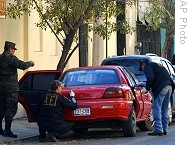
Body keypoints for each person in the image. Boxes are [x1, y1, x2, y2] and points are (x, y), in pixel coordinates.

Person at [0, 41, 35, 138]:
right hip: (11, 89)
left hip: (1, 88)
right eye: (13, 50)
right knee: (10, 108)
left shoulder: (0, 58)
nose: (14, 52)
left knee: (1, 108)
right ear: (10, 49)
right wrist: (31, 63)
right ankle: (7, 130)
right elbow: (22, 65)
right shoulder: (11, 59)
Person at [138, 60, 174, 136]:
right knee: (164, 109)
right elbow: (166, 78)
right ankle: (164, 129)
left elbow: (150, 78)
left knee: (156, 109)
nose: (143, 71)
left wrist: (147, 88)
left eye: (142, 69)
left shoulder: (148, 66)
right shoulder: (159, 65)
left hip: (161, 88)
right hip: (169, 86)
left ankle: (158, 129)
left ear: (143, 65)